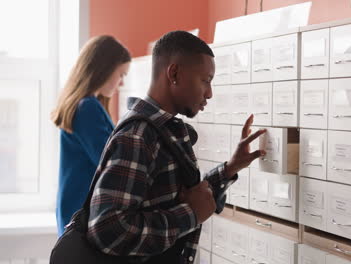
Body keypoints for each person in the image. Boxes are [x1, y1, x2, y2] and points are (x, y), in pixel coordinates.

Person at [86, 30, 266, 263]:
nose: (209, 93)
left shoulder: (167, 130)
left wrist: (230, 168)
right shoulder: (138, 135)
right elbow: (108, 231)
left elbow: (187, 199)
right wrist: (189, 215)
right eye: (206, 80)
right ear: (174, 73)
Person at [51, 35, 131, 236]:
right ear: (104, 68)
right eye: (120, 74)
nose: (121, 83)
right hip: (81, 213)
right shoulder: (88, 107)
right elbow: (109, 160)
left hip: (74, 208)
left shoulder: (88, 105)